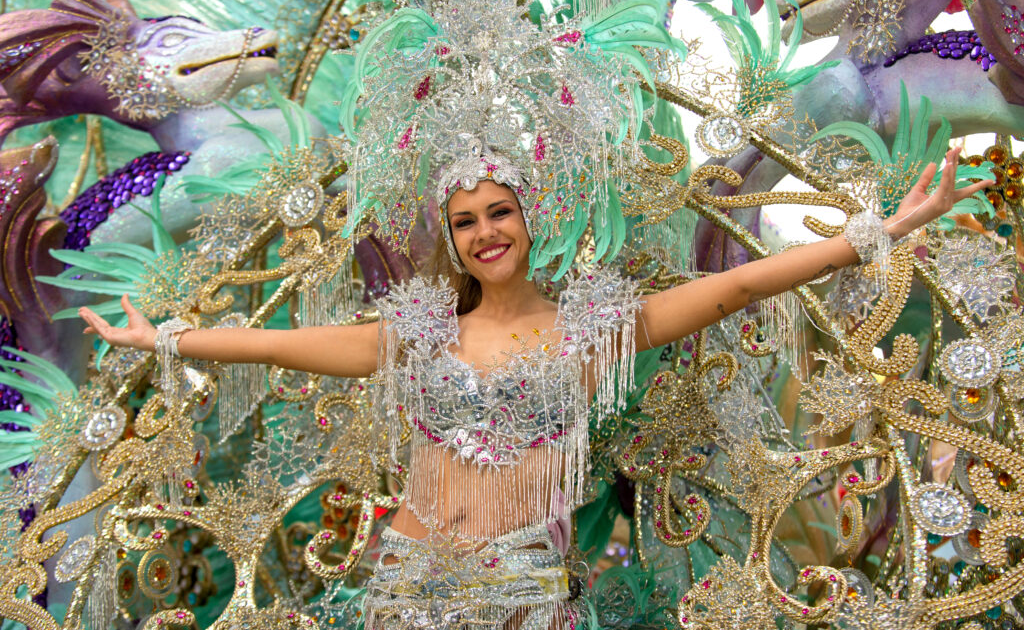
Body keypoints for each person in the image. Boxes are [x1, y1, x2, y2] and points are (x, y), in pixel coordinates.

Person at [78, 145, 989, 629]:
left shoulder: (596, 331)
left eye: (498, 212)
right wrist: (167, 337)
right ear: (452, 236)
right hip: (408, 597)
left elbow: (738, 284)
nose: (484, 233)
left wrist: (877, 231)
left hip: (528, 597)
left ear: (529, 217)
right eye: (465, 220)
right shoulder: (418, 332)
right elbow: (282, 344)